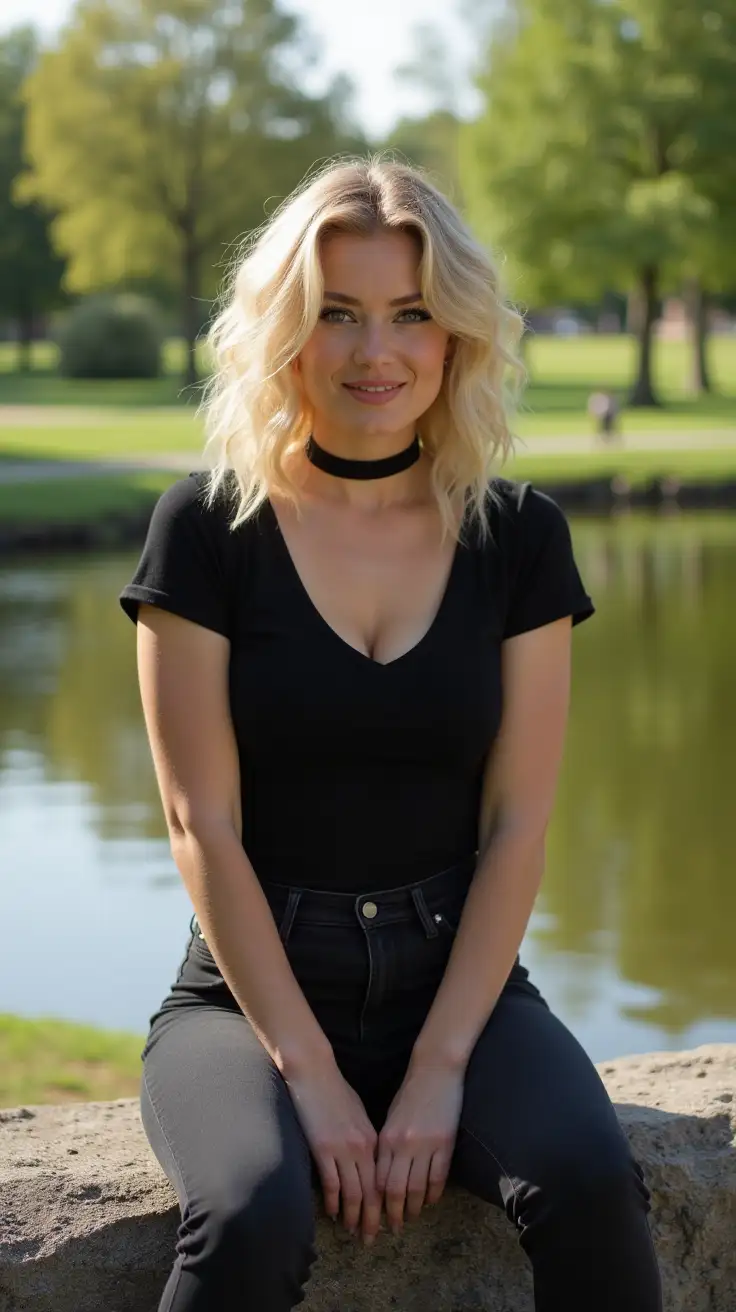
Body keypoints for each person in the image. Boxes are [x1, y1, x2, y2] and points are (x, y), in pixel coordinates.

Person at [119, 156, 662, 1312]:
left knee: (589, 1175)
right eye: (339, 315)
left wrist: (440, 1063)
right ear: (287, 333)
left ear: (456, 331)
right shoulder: (206, 531)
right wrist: (308, 1073)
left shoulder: (517, 538)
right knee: (250, 1209)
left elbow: (518, 822)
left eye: (412, 314)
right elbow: (196, 819)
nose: (378, 353)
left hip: (460, 979)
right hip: (246, 996)